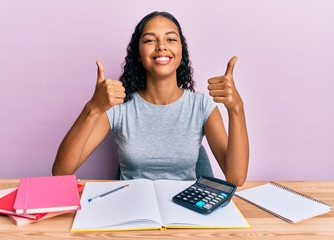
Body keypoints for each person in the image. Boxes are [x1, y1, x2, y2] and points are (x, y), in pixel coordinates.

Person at [52, 11, 249, 186]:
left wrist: (236, 109)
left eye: (171, 39)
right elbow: (61, 172)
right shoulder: (119, 107)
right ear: (138, 54)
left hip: (184, 213)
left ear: (181, 51)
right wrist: (93, 108)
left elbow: (236, 178)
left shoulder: (201, 106)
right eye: (149, 40)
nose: (161, 46)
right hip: (131, 211)